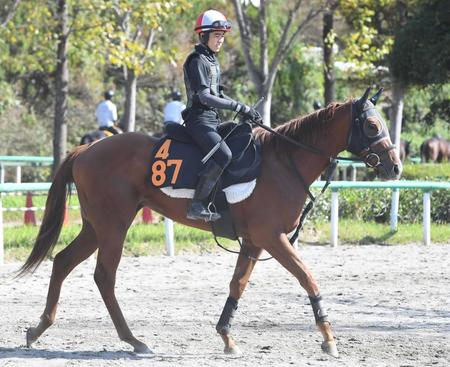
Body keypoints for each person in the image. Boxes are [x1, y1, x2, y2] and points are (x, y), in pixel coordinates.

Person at [183, 9, 262, 221]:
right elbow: (205, 97)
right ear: (203, 35)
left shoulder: (211, 60)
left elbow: (218, 93)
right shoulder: (197, 60)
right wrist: (238, 107)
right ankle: (196, 205)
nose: (221, 40)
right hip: (198, 120)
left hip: (212, 120)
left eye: (223, 36)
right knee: (223, 154)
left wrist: (247, 110)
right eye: (217, 35)